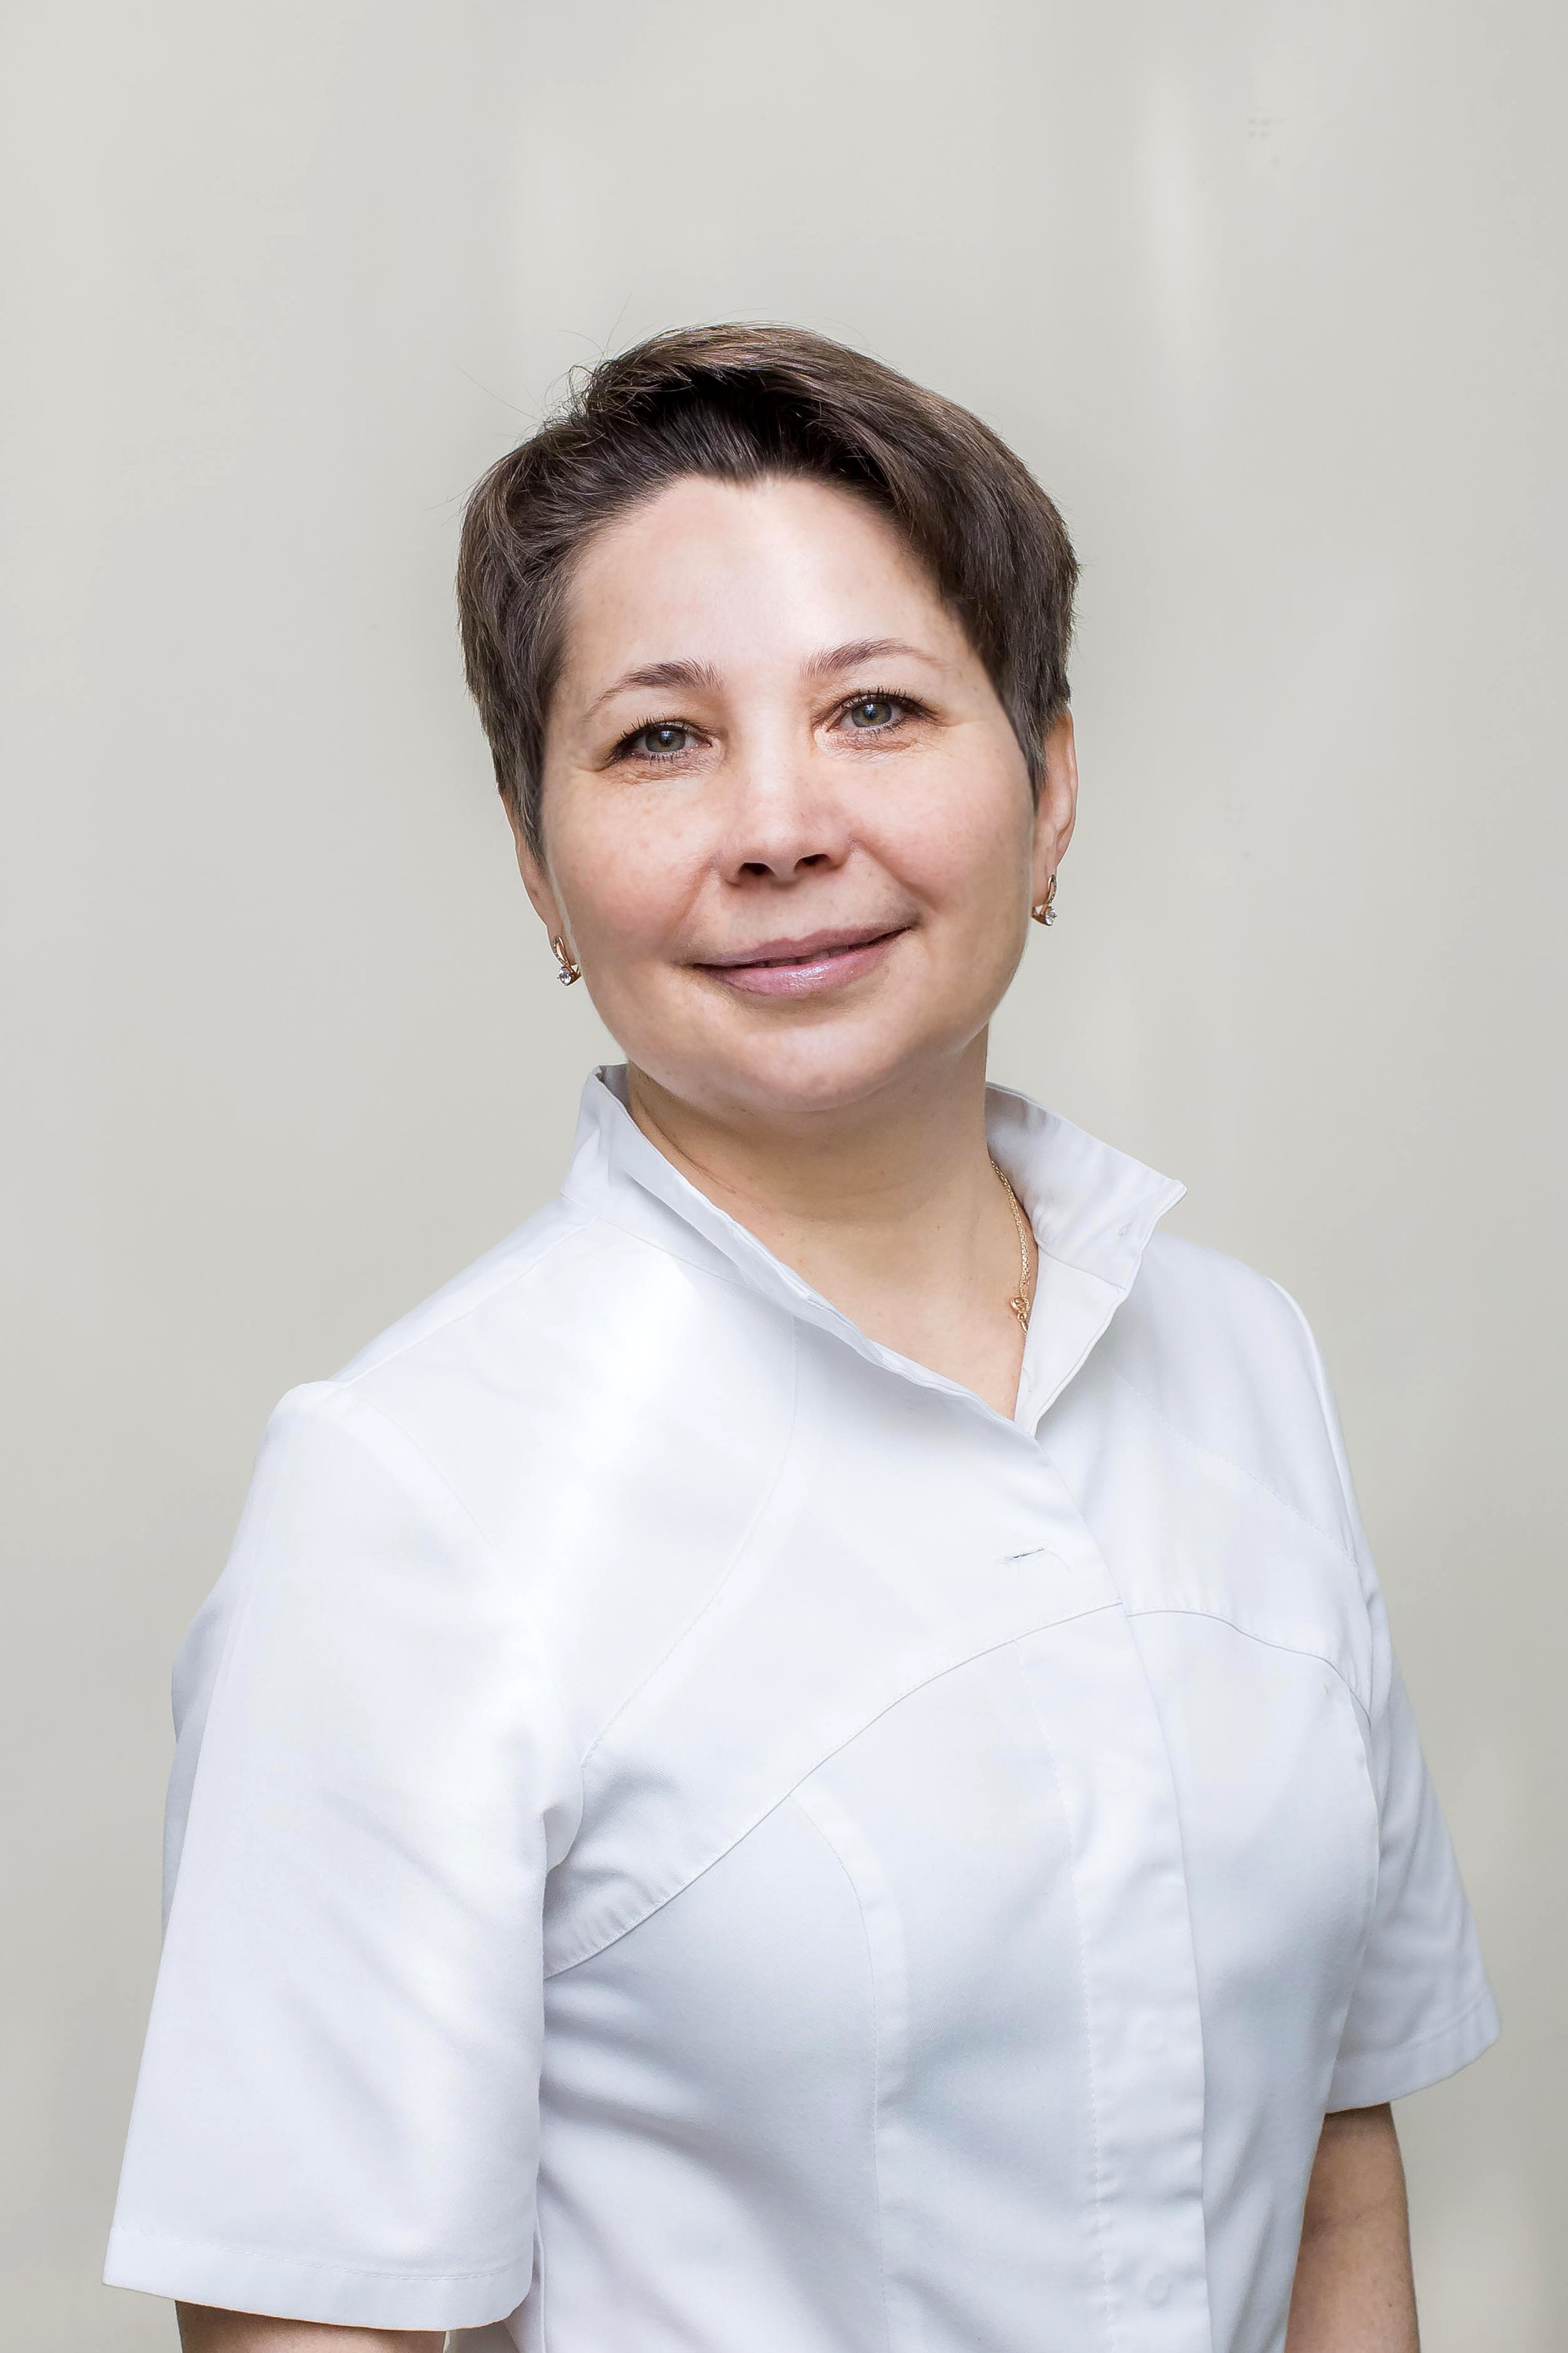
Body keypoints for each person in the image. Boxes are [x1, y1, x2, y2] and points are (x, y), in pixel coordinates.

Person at [105, 325, 1497, 2353]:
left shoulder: (1241, 1360)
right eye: (661, 738)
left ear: (1052, 787)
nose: (779, 823)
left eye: (876, 707)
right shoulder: (407, 1499)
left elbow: (1331, 2165)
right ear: (537, 867)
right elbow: (316, 2326)